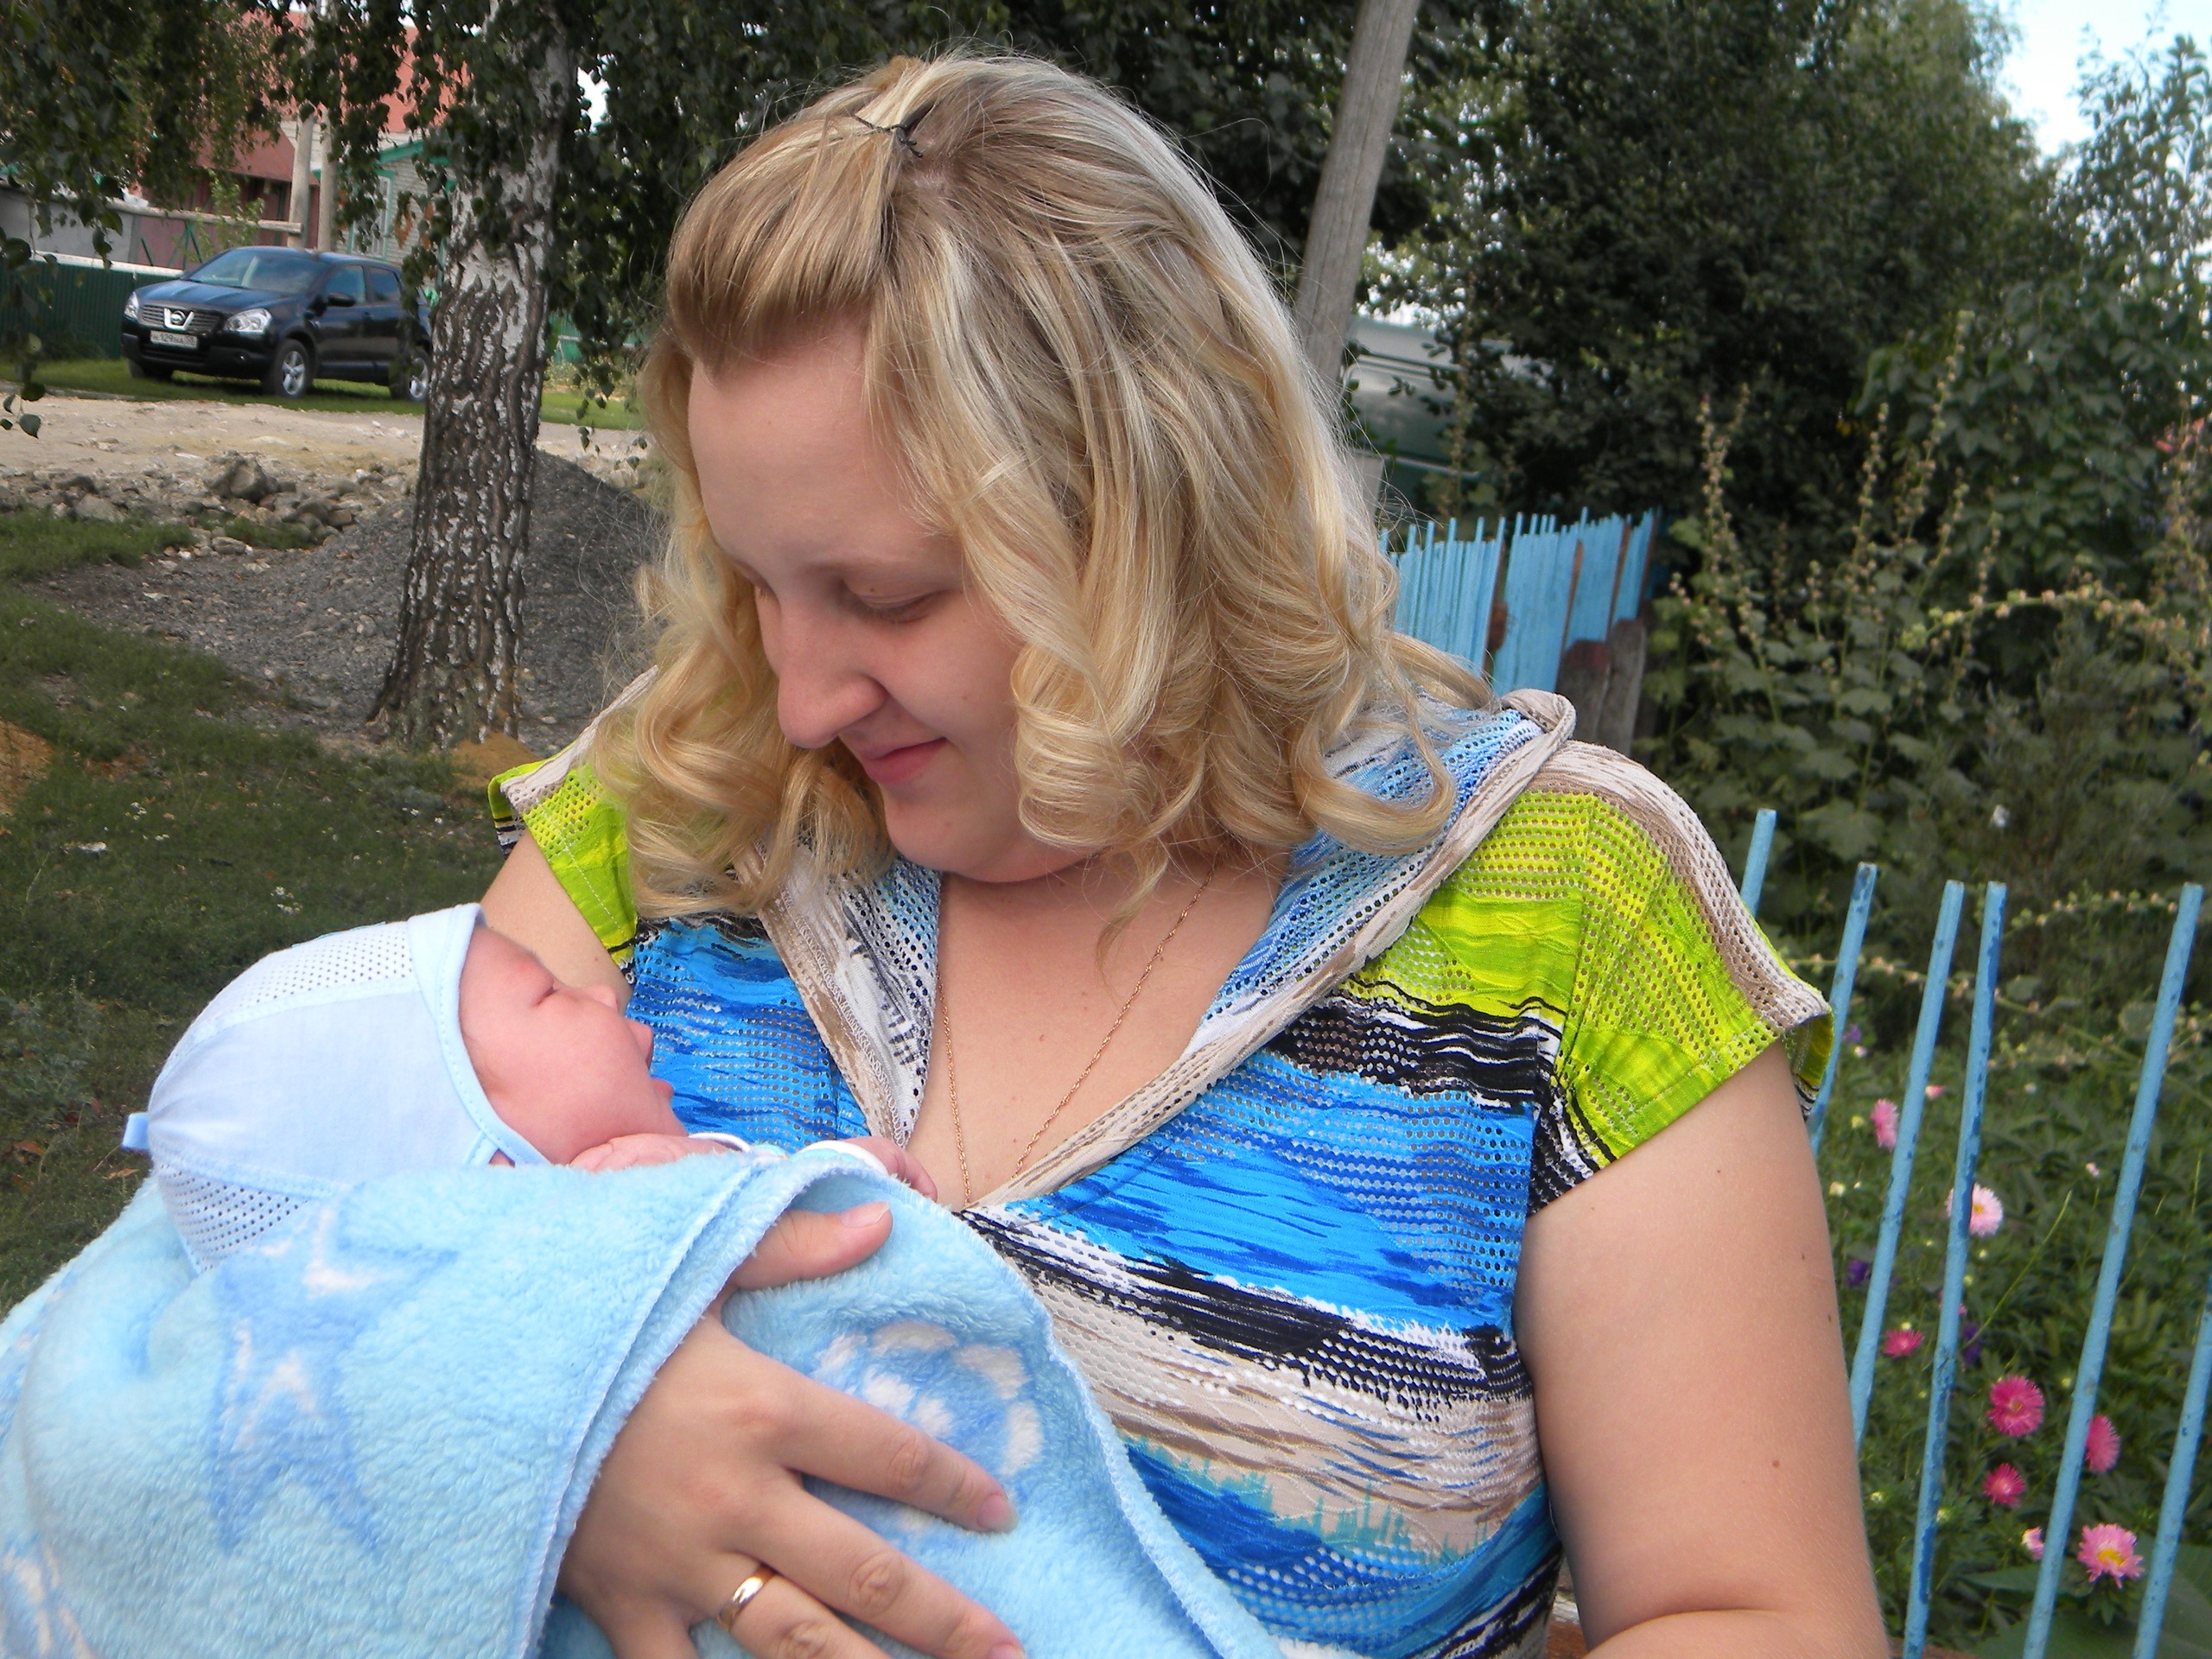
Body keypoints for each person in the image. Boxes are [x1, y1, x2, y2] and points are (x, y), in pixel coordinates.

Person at [483, 50, 1888, 1659]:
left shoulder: (1565, 910)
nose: (799, 698)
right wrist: (551, 1442)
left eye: (886, 597)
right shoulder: (681, 790)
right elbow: (298, 1261)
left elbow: (1762, 1617)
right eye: (757, 581)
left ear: (1152, 520)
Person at [122, 904, 939, 1271]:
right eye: (548, 994)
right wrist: (838, 1179)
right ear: (484, 1169)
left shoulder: (636, 1184)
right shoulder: (600, 1232)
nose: (607, 992)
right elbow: (798, 1250)